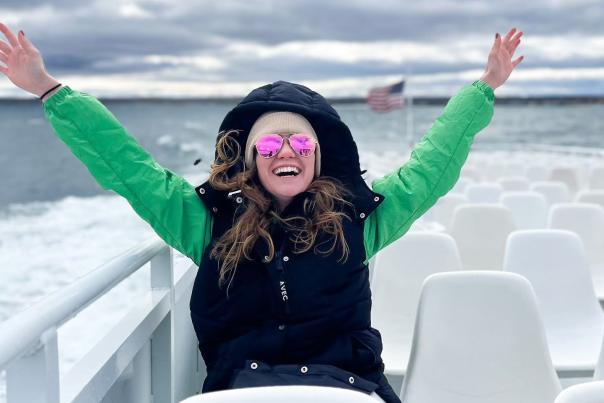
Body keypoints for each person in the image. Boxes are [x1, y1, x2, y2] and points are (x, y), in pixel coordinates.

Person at [0, 23, 523, 403]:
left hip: (347, 387)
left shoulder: (361, 220)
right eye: (270, 144)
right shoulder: (204, 222)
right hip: (242, 390)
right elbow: (127, 168)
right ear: (249, 157)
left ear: (318, 156)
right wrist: (51, 90)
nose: (286, 151)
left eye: (300, 141)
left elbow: (431, 166)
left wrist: (483, 90)